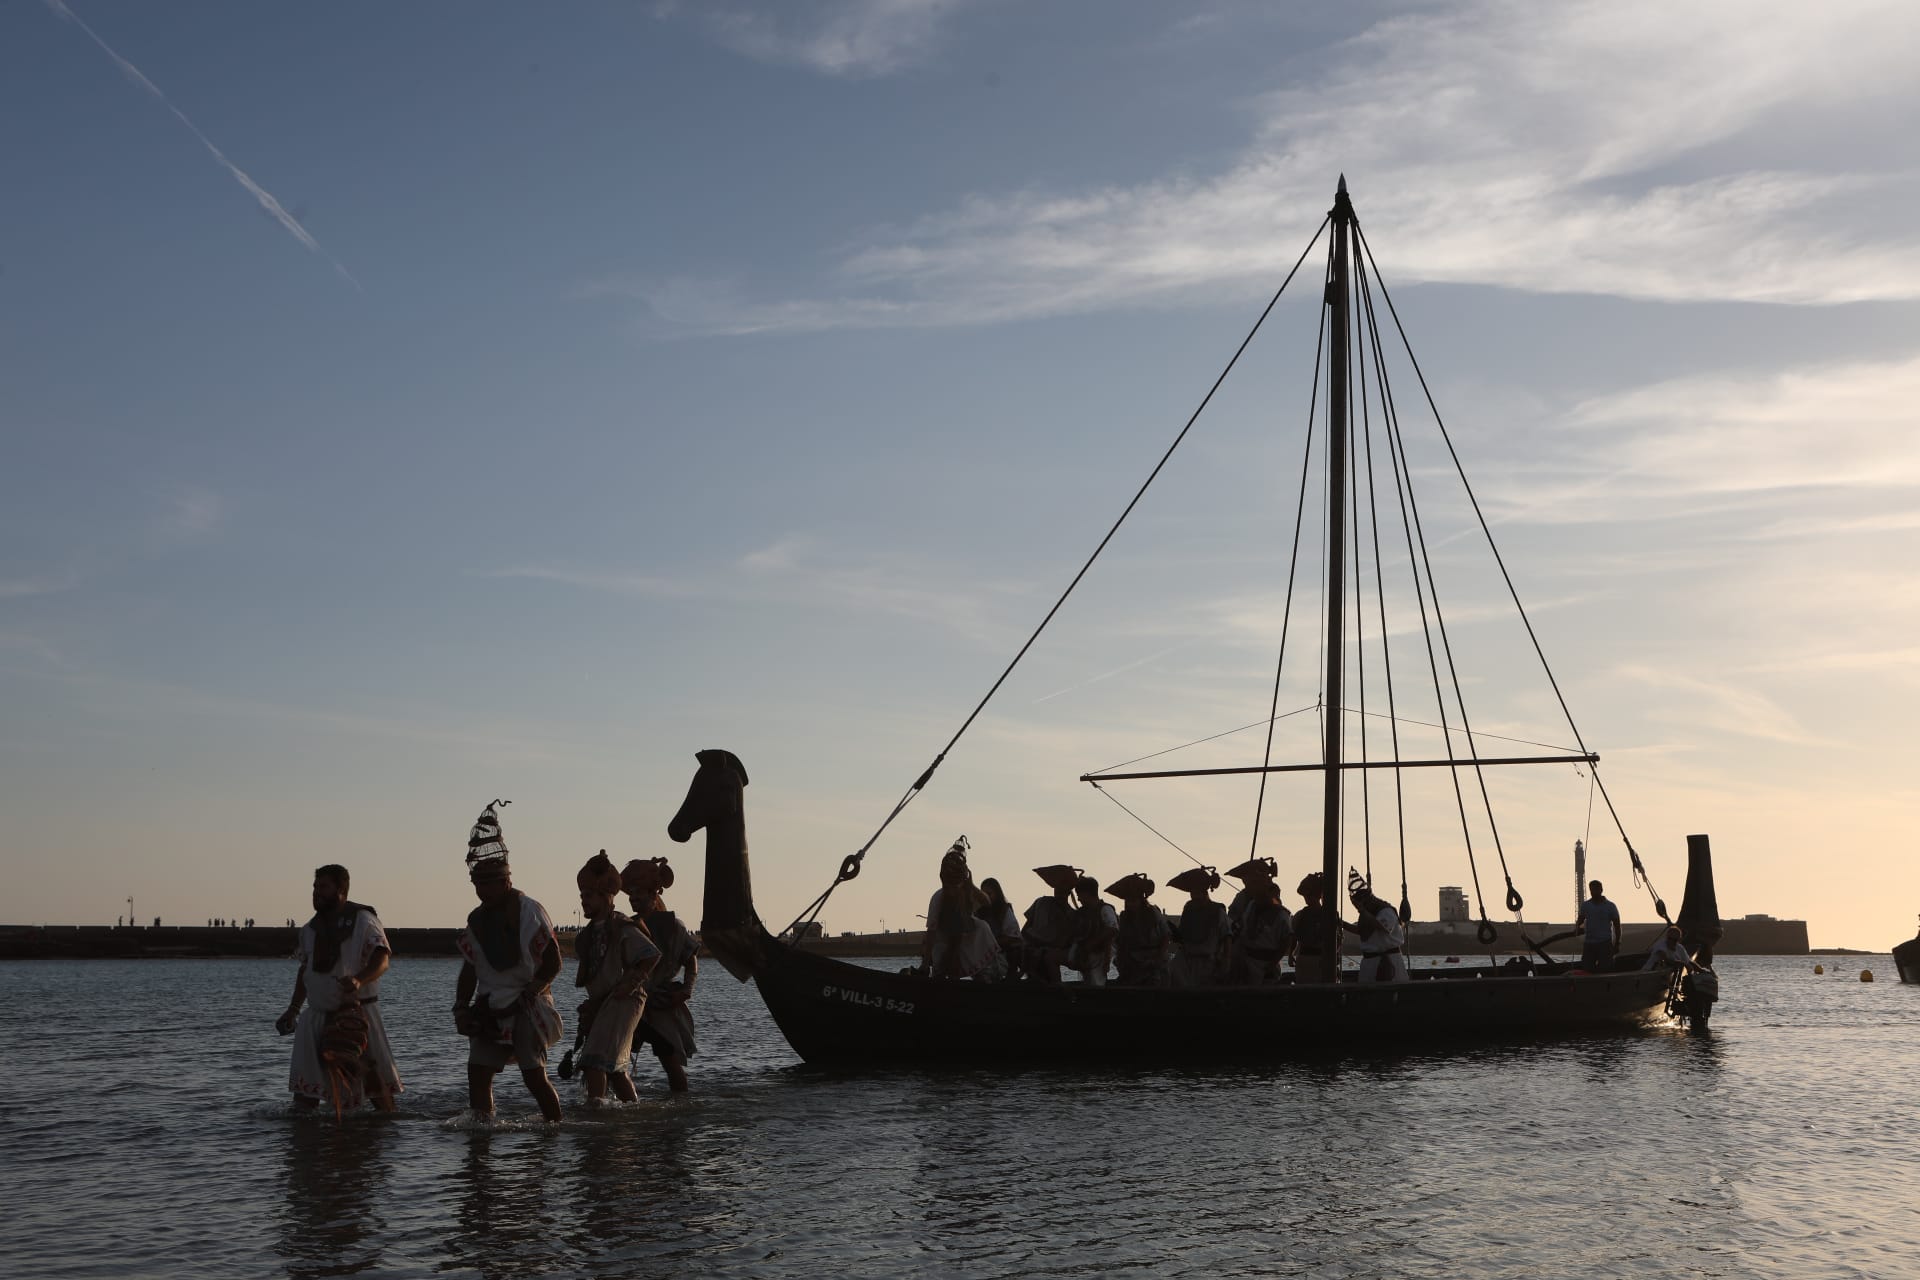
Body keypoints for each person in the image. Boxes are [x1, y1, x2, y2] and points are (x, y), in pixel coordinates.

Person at [453, 802, 564, 1122]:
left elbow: (554, 961)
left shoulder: (529, 910)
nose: (481, 891)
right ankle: (482, 1133)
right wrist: (461, 1005)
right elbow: (470, 966)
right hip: (488, 1005)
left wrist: (531, 991)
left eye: (487, 884)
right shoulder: (476, 919)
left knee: (534, 1078)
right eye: (476, 884)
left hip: (527, 1005)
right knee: (478, 1072)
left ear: (505, 881)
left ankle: (554, 1129)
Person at [276, 864, 402, 1116]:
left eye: (323, 887)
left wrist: (358, 980)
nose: (316, 892)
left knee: (377, 1090)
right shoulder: (309, 930)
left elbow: (382, 958)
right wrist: (292, 1009)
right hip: (315, 1018)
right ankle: (307, 1141)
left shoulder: (364, 920)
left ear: (341, 889)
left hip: (358, 1015)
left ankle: (385, 1134)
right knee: (304, 1097)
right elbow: (305, 971)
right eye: (314, 887)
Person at [572, 851, 659, 1104]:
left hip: (624, 1000)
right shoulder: (587, 935)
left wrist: (629, 983)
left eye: (588, 896)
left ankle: (595, 1117)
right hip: (605, 1003)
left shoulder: (621, 926)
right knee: (616, 1069)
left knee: (595, 1063)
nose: (584, 902)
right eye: (582, 897)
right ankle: (632, 1111)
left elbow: (651, 955)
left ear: (606, 897)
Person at [622, 856, 699, 1093]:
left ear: (654, 895)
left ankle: (680, 1104)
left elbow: (691, 959)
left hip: (663, 1003)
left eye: (639, 893)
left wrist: (686, 990)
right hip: (633, 1000)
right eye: (630, 894)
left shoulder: (674, 926)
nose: (634, 898)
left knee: (669, 1061)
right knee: (614, 1058)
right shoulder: (628, 926)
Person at [920, 840, 1005, 981]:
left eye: (955, 885)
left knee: (981, 929)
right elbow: (931, 934)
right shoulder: (938, 899)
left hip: (968, 946)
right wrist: (924, 964)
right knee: (943, 968)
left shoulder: (966, 893)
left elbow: (986, 902)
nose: (952, 890)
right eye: (949, 885)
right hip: (944, 946)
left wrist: (970, 884)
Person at [1168, 866, 1229, 987]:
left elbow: (1227, 937)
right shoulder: (1188, 908)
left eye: (1197, 893)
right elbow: (1183, 934)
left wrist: (1225, 963)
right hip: (1186, 962)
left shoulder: (1217, 911)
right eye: (1192, 893)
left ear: (1204, 892)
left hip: (1208, 963)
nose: (1194, 896)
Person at [1020, 865, 1082, 983]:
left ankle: (1056, 989)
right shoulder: (1041, 903)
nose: (1059, 894)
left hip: (1048, 953)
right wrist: (1028, 944)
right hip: (1032, 949)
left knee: (1046, 958)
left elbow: (1064, 942)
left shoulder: (1071, 915)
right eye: (1057, 890)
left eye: (1062, 891)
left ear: (1068, 893)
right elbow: (1025, 929)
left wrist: (1043, 947)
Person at [1109, 873, 1171, 987]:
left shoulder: (1153, 913)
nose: (1131, 904)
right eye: (1128, 901)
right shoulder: (1124, 917)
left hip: (1153, 961)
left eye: (1133, 900)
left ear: (1140, 900)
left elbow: (1166, 936)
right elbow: (1121, 941)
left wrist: (1158, 958)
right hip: (1132, 962)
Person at [1346, 869, 1407, 983]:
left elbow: (1383, 927)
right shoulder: (1367, 913)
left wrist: (1362, 910)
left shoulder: (1385, 910)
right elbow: (1361, 931)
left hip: (1389, 963)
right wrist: (1341, 924)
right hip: (1369, 963)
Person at [1067, 875, 1118, 986]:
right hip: (1084, 956)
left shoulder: (1105, 909)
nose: (1079, 899)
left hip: (1098, 956)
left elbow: (1112, 930)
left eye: (1079, 895)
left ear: (1087, 893)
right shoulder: (1081, 913)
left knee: (1096, 984)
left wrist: (1093, 945)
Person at [1289, 871, 1339, 981]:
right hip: (1304, 958)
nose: (1307, 899)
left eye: (1309, 896)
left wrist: (1331, 957)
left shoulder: (1329, 914)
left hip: (1321, 959)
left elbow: (1337, 938)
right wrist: (1290, 954)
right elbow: (1294, 937)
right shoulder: (1301, 915)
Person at [977, 877, 1024, 978]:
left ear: (997, 894)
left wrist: (994, 942)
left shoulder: (1004, 910)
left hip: (1003, 951)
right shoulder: (979, 911)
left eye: (989, 893)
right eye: (984, 894)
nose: (986, 897)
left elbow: (1014, 936)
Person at [1575, 880, 1622, 973]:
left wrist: (1617, 944)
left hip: (1605, 943)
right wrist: (1577, 927)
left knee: (1606, 969)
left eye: (1595, 890)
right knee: (1586, 969)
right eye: (1591, 890)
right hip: (1589, 943)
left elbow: (1617, 926)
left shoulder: (1610, 906)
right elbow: (1580, 919)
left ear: (1601, 890)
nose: (1593, 892)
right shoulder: (1586, 905)